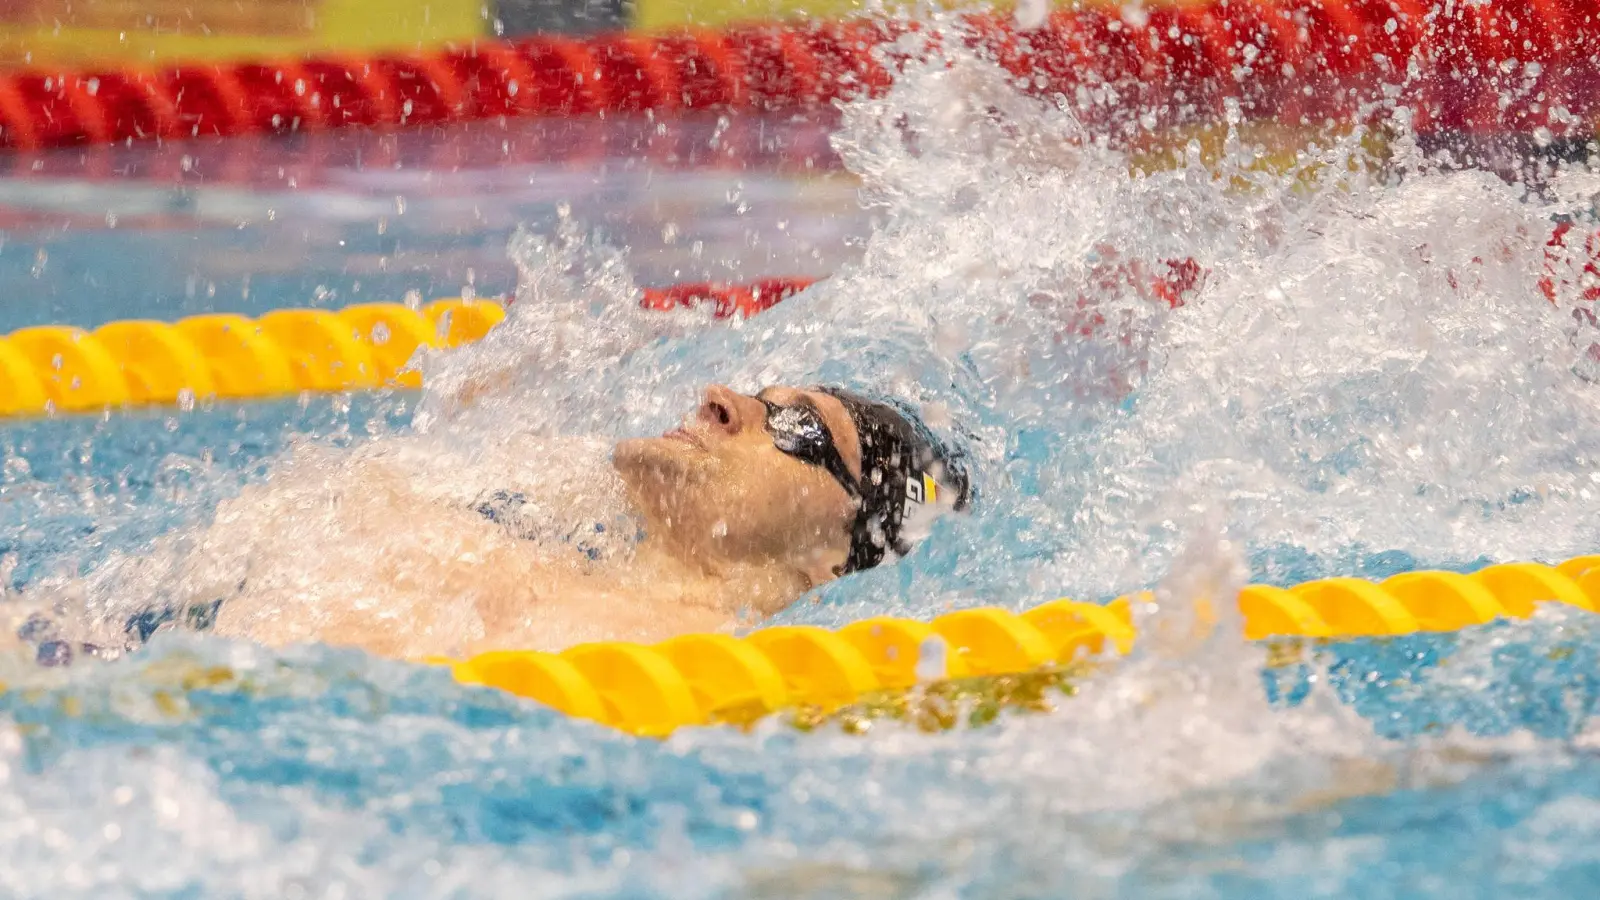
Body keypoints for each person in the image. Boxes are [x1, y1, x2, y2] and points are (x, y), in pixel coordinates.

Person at [12, 383, 972, 663]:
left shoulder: (666, 662)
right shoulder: (520, 542)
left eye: (798, 425)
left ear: (836, 543)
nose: (723, 398)